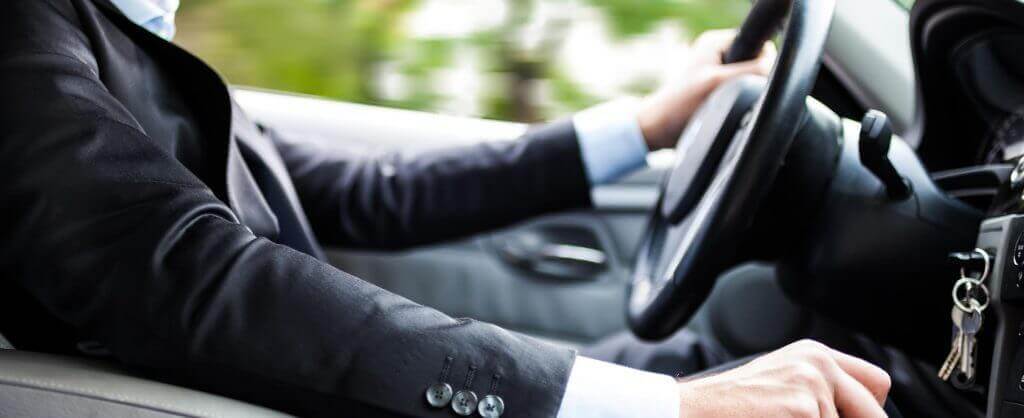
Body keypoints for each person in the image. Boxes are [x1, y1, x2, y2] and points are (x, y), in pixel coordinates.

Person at [0, 0, 898, 417]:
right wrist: (664, 412)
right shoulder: (23, 35)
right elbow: (178, 274)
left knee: (753, 358)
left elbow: (373, 193)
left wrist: (647, 123)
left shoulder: (123, 35)